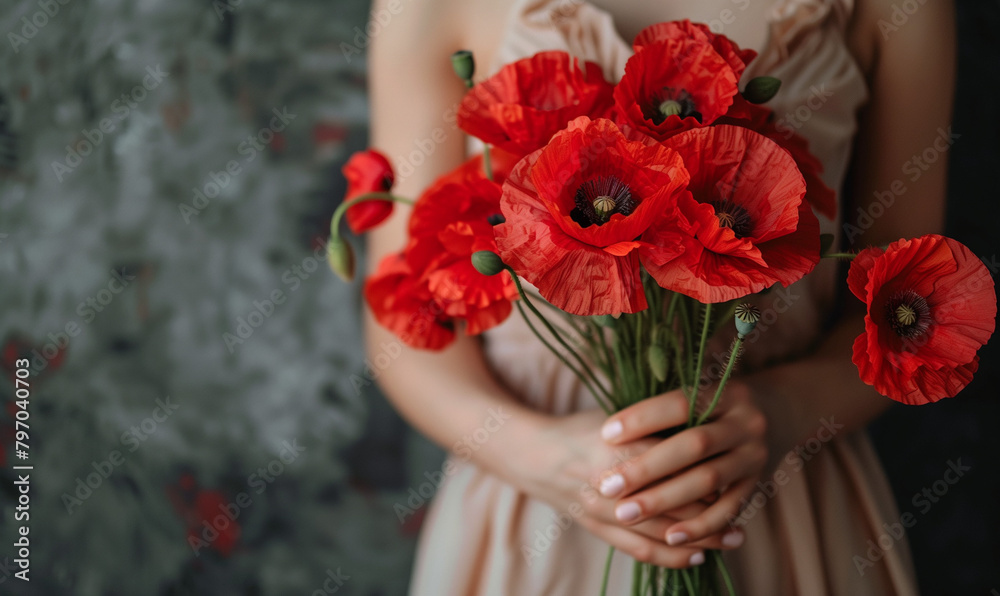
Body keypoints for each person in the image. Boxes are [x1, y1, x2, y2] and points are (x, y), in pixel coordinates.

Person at [364, 0, 955, 593]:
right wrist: (544, 458)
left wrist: (784, 412)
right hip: (533, 497)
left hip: (779, 486)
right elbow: (403, 323)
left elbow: (916, 307)